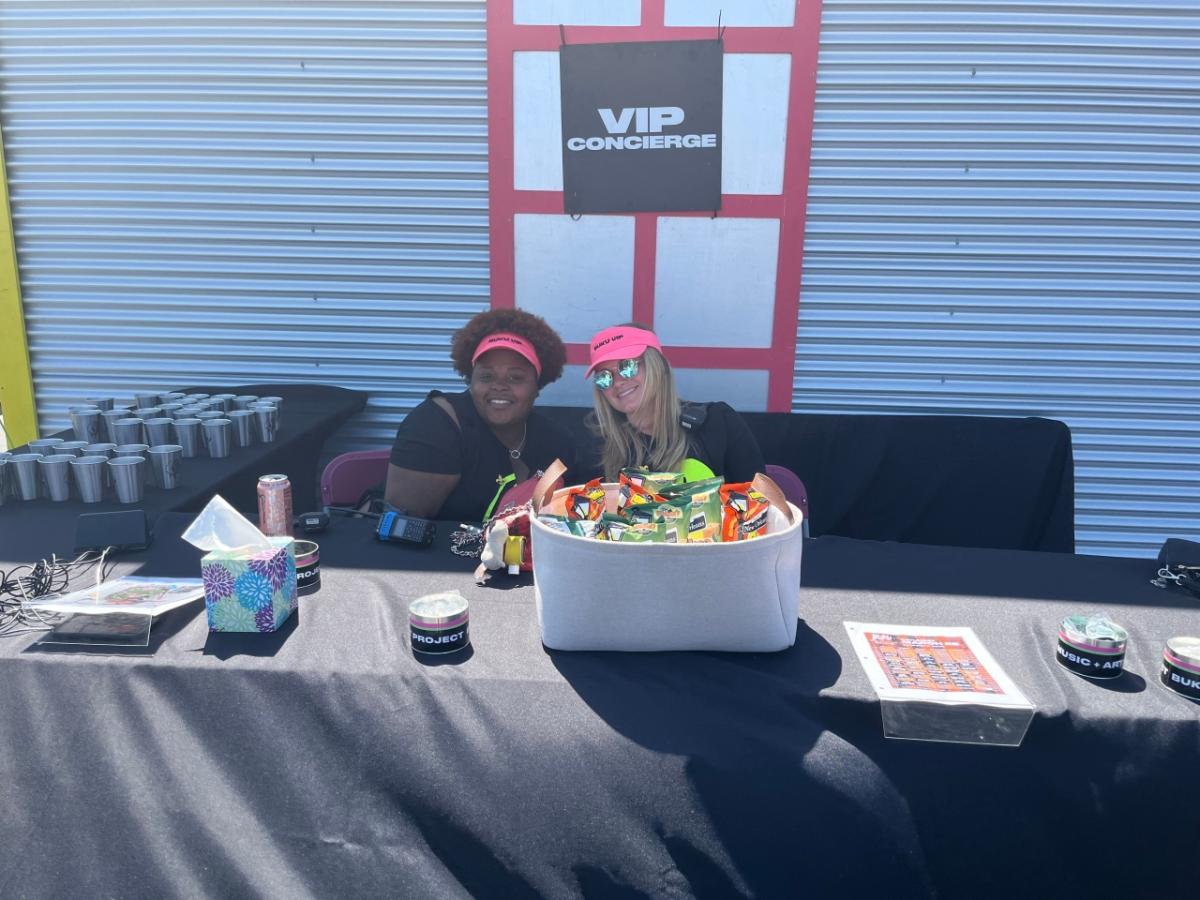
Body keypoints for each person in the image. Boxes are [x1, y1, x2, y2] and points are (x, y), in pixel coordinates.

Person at [386, 308, 576, 521]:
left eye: (515, 378)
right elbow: (401, 529)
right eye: (486, 376)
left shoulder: (557, 442)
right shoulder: (435, 425)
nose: (499, 386)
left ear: (537, 386)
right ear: (471, 380)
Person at [585, 323, 765, 483]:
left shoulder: (719, 422)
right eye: (604, 377)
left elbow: (761, 506)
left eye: (628, 367)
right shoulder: (600, 446)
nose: (617, 382)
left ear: (657, 366)